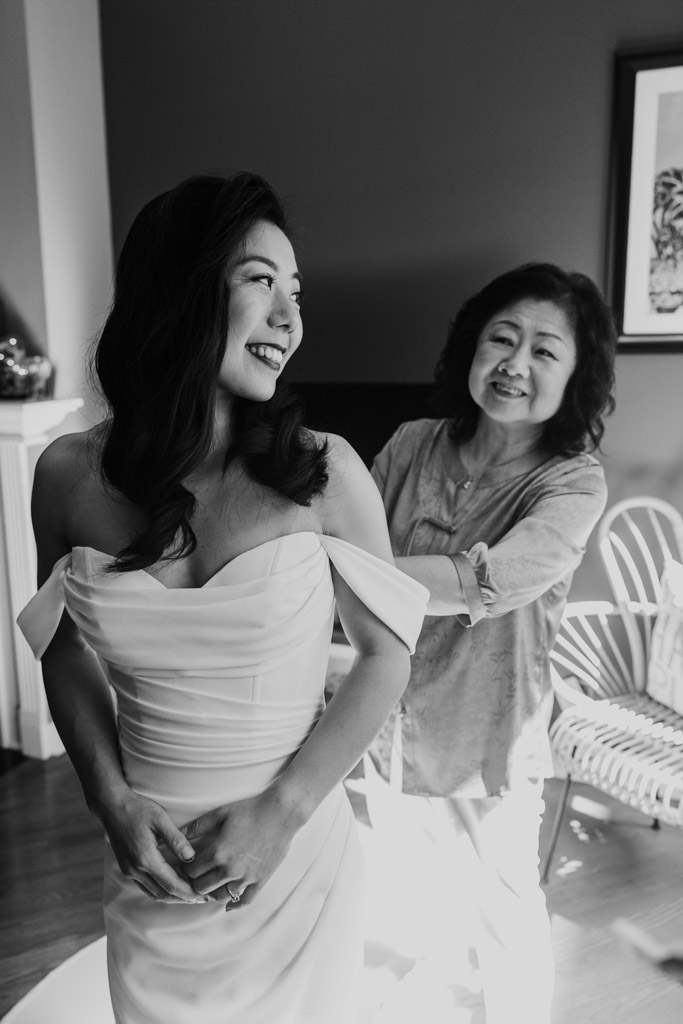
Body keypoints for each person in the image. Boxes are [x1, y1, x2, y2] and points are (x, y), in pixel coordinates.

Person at [17, 173, 428, 1024]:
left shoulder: (325, 473)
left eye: (296, 292)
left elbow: (387, 655)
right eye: (260, 281)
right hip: (147, 860)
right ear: (180, 289)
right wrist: (109, 799)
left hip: (293, 860)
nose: (290, 318)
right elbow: (61, 651)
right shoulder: (64, 479)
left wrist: (283, 812)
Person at [365, 262, 617, 1023]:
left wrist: (346, 570)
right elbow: (349, 544)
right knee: (410, 910)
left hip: (487, 738)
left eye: (544, 350)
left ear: (574, 376)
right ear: (469, 348)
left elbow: (490, 582)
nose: (513, 363)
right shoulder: (411, 443)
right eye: (500, 339)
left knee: (502, 921)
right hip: (384, 723)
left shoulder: (572, 482)